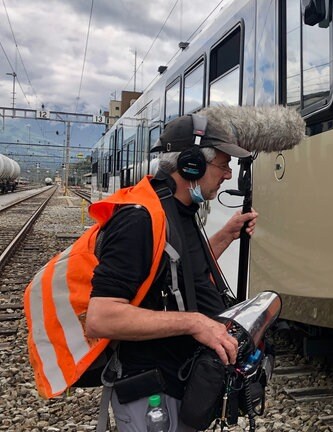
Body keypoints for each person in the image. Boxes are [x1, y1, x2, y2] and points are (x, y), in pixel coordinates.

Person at [85, 113, 258, 432]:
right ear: (192, 164)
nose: (228, 173)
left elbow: (179, 274)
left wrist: (225, 235)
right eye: (222, 164)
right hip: (152, 392)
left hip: (180, 380)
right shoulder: (138, 219)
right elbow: (101, 317)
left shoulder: (179, 211)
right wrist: (195, 323)